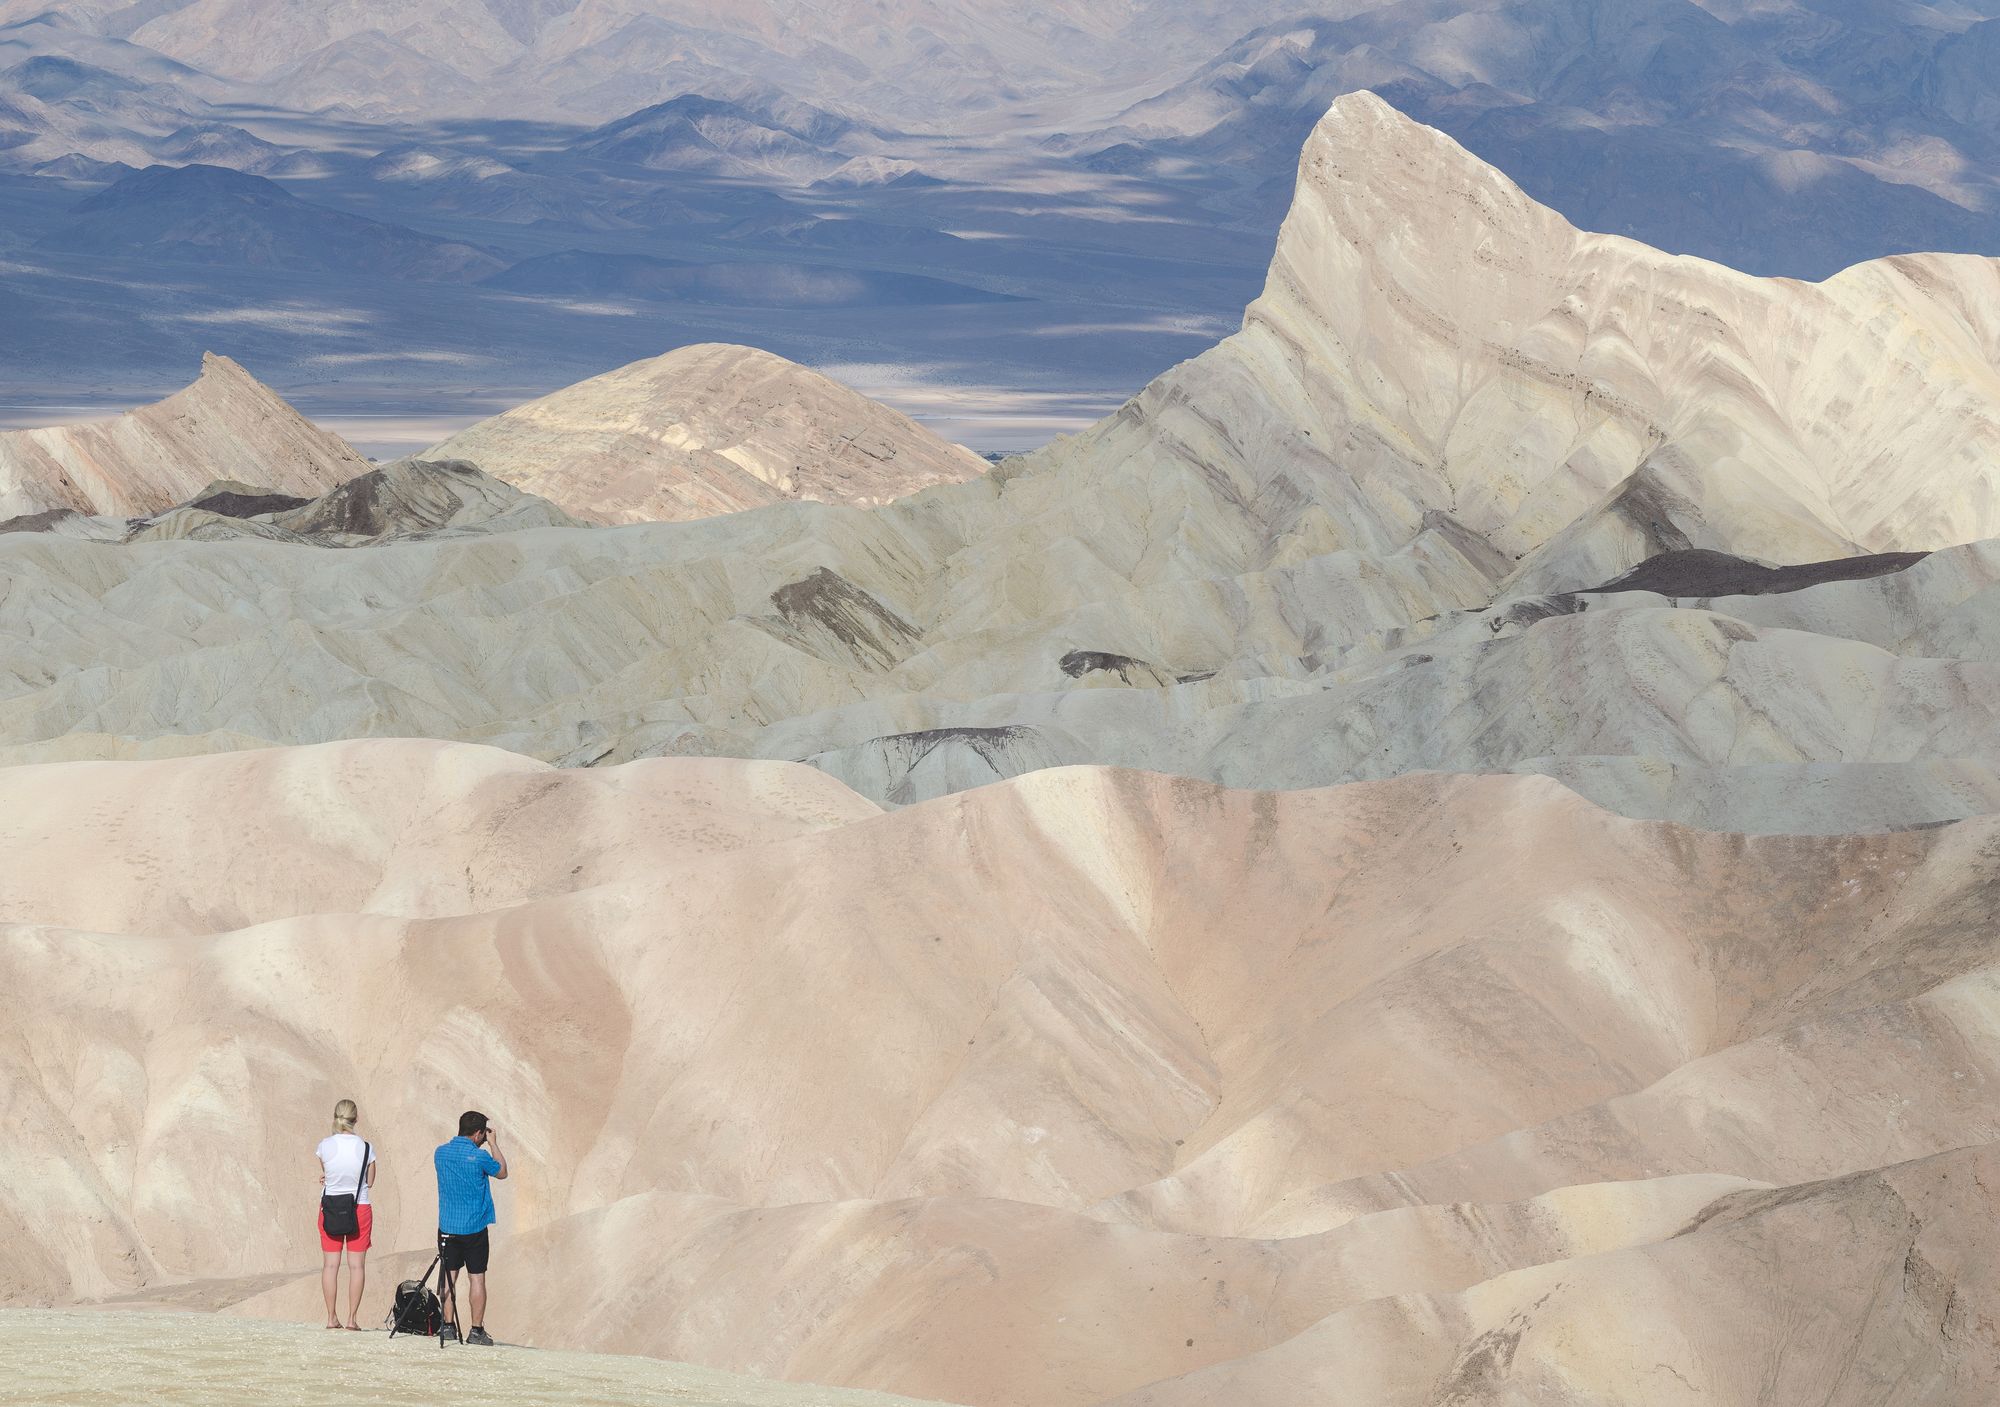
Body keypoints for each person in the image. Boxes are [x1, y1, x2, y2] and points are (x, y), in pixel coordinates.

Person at [433, 1109, 507, 1345]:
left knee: (448, 1277)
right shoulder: (481, 1156)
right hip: (474, 1228)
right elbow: (502, 1172)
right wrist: (493, 1144)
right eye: (483, 1135)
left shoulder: (440, 1153)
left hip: (448, 1226)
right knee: (477, 1279)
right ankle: (476, 1331)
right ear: (477, 1134)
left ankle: (447, 1327)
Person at [315, 1098, 377, 1330]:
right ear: (356, 1119)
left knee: (330, 1266)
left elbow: (328, 1172)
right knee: (357, 1266)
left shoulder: (324, 1145)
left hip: (330, 1207)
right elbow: (369, 1182)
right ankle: (352, 1319)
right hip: (358, 1208)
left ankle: (331, 1317)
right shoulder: (366, 1148)